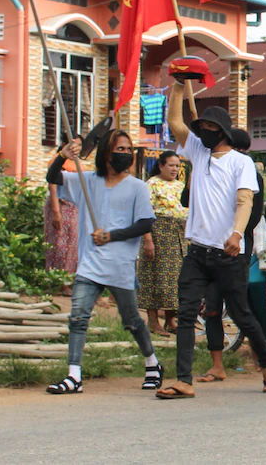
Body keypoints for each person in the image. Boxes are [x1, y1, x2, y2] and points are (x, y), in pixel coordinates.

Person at [157, 82, 266, 399]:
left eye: (210, 128)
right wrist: (178, 88)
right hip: (197, 251)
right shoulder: (198, 152)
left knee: (241, 314)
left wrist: (237, 233)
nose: (204, 132)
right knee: (187, 314)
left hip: (229, 253)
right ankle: (183, 380)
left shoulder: (241, 162)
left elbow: (245, 201)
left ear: (223, 132)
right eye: (201, 127)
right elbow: (174, 122)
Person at [45, 131, 160, 395]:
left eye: (128, 149)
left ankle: (152, 363)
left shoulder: (137, 187)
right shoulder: (87, 181)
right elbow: (53, 177)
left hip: (120, 264)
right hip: (90, 264)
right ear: (107, 153)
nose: (126, 154)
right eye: (121, 149)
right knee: (78, 316)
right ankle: (74, 375)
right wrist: (62, 156)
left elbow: (146, 223)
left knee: (132, 320)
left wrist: (111, 236)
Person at [196, 128, 266, 384]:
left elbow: (253, 212)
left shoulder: (247, 171)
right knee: (212, 307)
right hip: (210, 247)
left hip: (237, 249)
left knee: (240, 308)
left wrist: (236, 234)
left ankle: (263, 359)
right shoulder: (206, 170)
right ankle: (217, 365)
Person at [137, 151, 187, 336]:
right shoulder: (151, 184)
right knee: (154, 277)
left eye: (177, 166)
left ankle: (170, 320)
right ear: (161, 165)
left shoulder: (180, 186)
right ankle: (153, 321)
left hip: (178, 236)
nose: (174, 169)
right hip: (158, 234)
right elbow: (144, 213)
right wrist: (148, 240)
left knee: (174, 280)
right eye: (171, 165)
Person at [44, 161, 80, 295]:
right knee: (59, 244)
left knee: (73, 245)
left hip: (73, 207)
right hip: (60, 206)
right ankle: (59, 282)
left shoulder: (77, 162)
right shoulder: (58, 160)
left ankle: (69, 281)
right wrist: (56, 211)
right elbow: (52, 186)